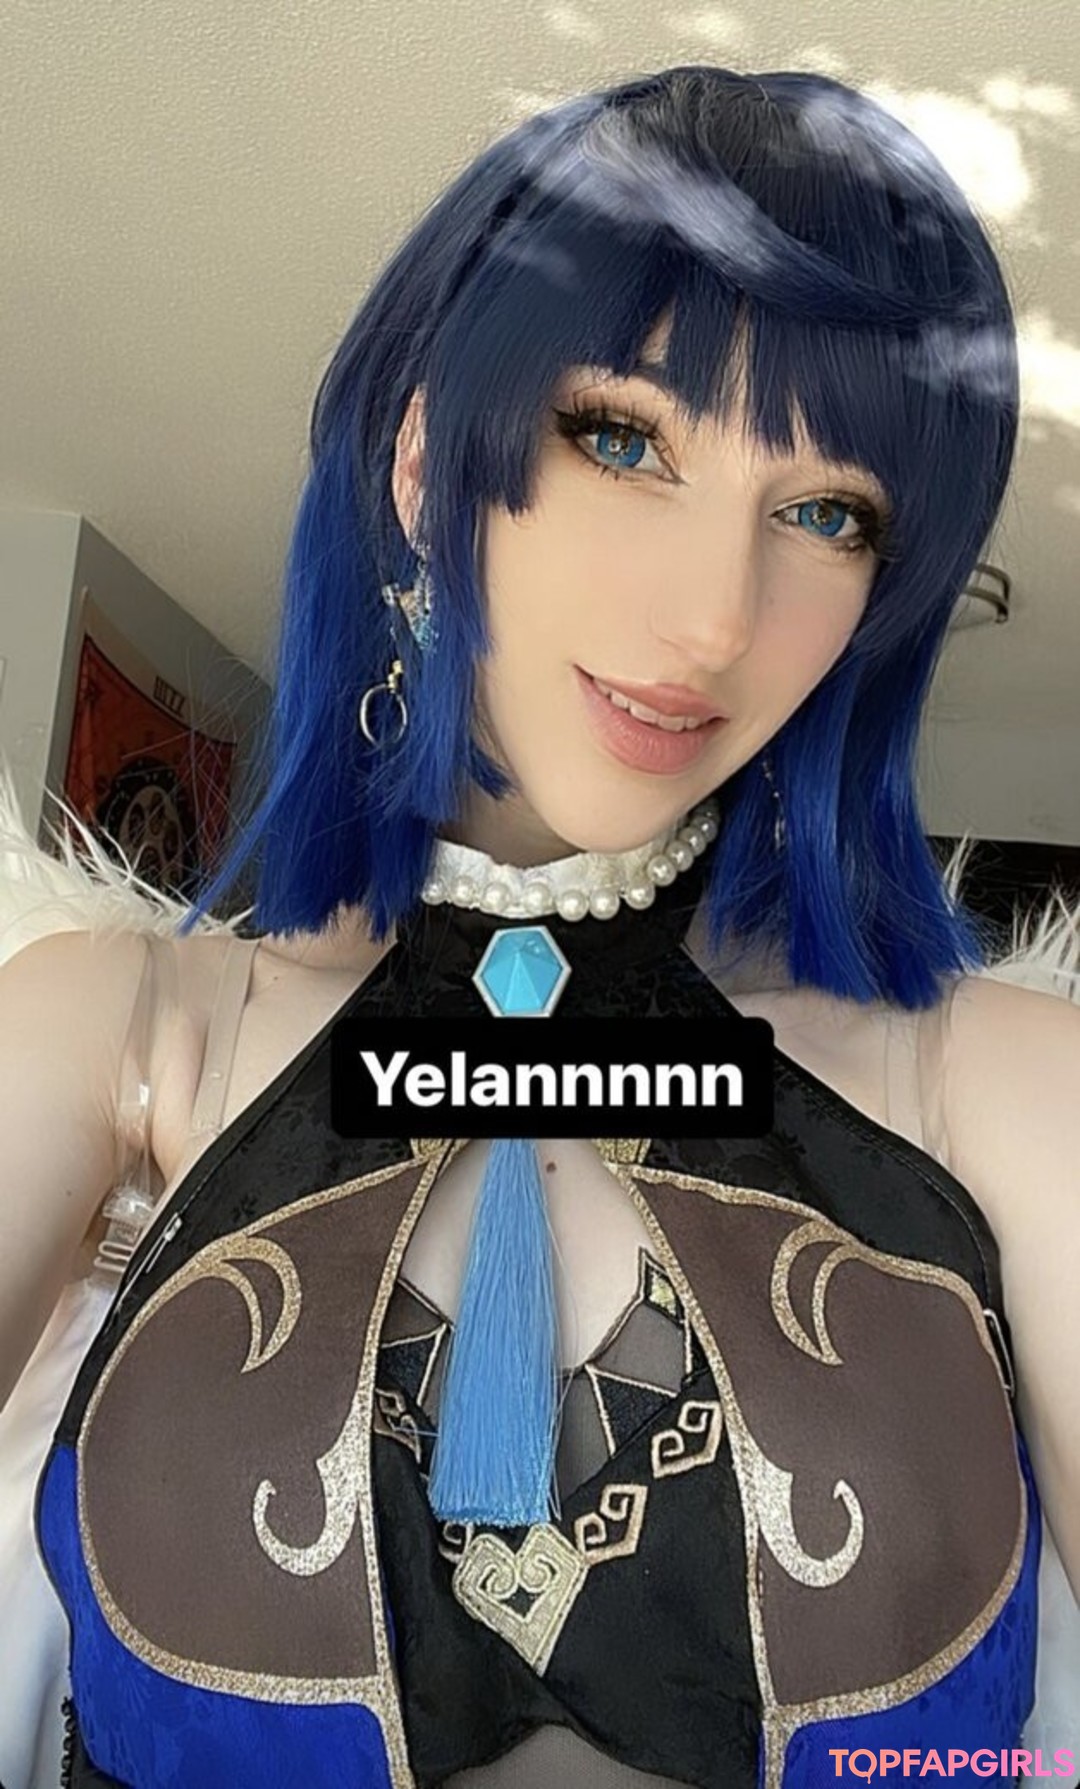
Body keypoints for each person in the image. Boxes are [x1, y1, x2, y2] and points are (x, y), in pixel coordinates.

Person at [0, 62, 1078, 1789]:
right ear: (429, 461)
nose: (713, 616)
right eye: (625, 437)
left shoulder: (1000, 1086)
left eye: (826, 512)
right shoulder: (115, 1032)